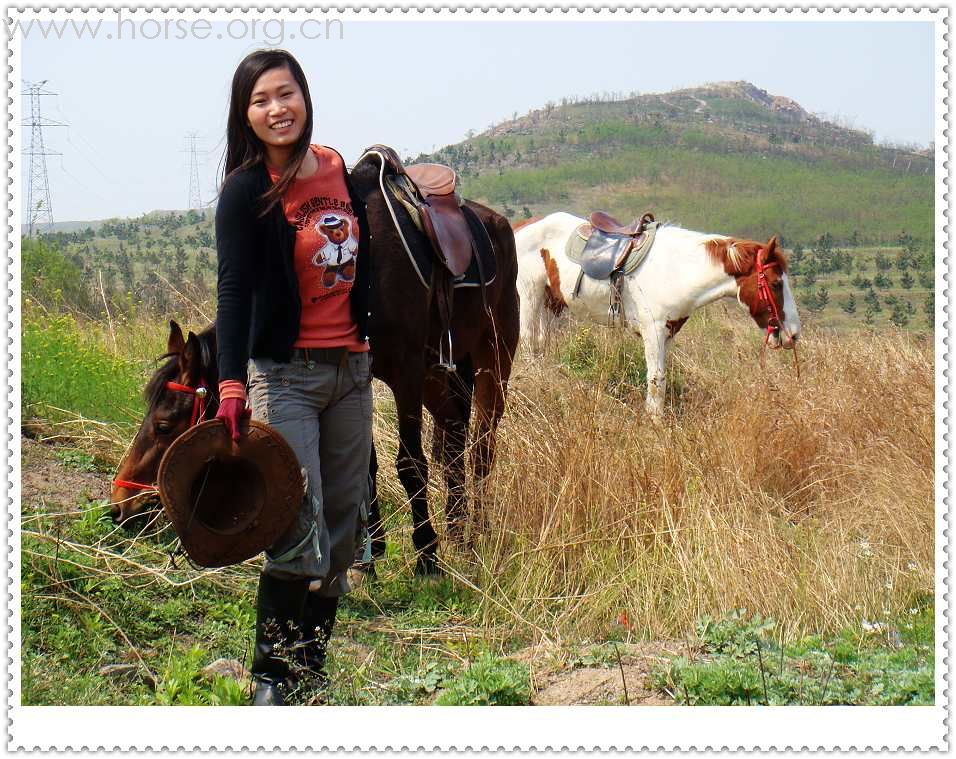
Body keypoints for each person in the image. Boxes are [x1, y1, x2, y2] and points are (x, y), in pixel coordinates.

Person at [214, 48, 373, 706]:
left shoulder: (338, 169)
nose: (277, 108)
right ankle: (271, 678)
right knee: (295, 520)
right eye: (261, 100)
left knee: (342, 527)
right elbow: (232, 290)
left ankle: (311, 664)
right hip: (287, 375)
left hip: (352, 371)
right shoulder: (246, 191)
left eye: (286, 93)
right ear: (245, 116)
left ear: (305, 97)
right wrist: (230, 385)